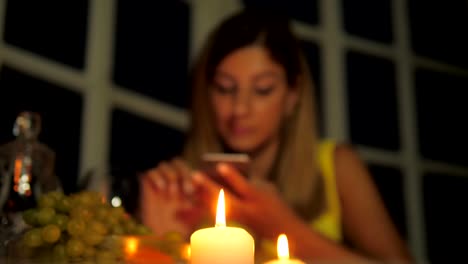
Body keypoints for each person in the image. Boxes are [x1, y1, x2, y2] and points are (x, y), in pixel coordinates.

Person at [138, 8, 412, 263]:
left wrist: (282, 226)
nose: (240, 109)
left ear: (293, 95)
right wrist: (163, 240)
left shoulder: (335, 165)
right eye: (224, 88)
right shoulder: (186, 186)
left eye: (263, 89)